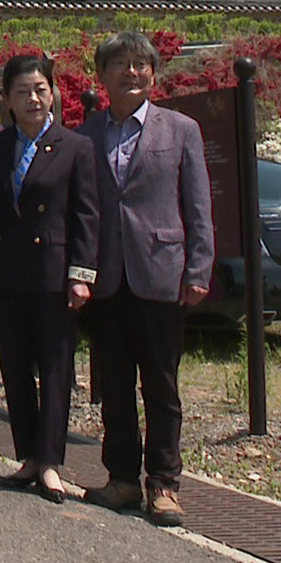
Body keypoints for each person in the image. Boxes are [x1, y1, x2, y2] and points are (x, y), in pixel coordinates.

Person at [79, 31, 214, 527]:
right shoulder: (87, 134)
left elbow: (198, 207)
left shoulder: (180, 129)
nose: (131, 73)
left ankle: (164, 484)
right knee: (113, 385)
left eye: (140, 65)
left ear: (153, 74)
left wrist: (199, 269)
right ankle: (120, 479)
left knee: (161, 387)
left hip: (161, 273)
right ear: (103, 75)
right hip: (106, 279)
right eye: (120, 64)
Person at [0, 54, 99, 505]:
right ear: (6, 99)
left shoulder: (75, 146)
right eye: (23, 91)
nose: (33, 98)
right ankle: (26, 454)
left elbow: (88, 215)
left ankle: (50, 462)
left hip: (54, 275)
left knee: (54, 370)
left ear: (53, 93)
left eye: (41, 89)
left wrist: (81, 275)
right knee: (13, 368)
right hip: (6, 276)